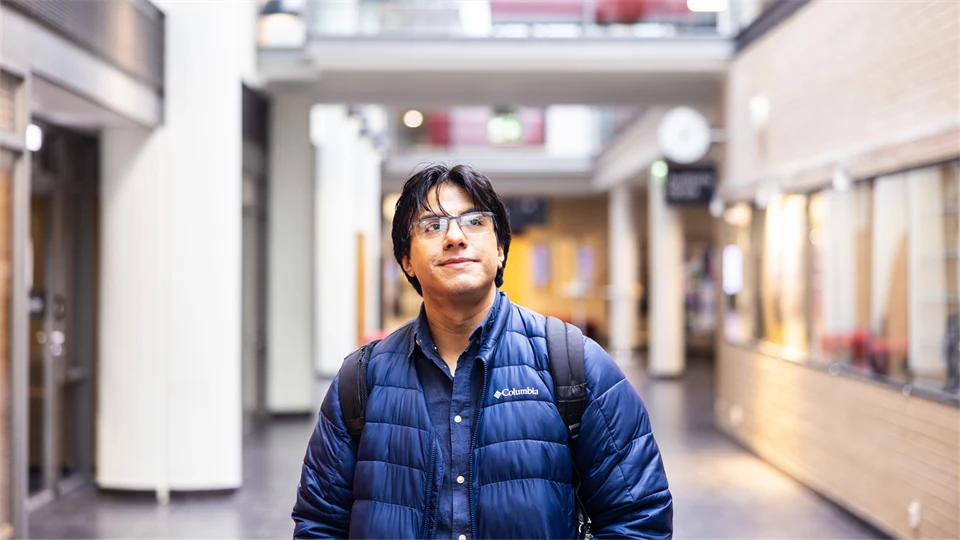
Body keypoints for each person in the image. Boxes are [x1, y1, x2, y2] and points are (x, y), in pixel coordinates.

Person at [292, 164, 672, 540]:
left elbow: (639, 519)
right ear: (406, 259)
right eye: (432, 225)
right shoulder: (360, 380)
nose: (455, 237)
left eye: (474, 222)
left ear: (501, 248)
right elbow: (319, 525)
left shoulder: (574, 364)